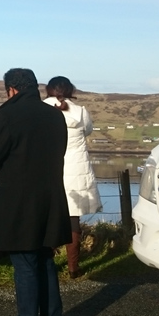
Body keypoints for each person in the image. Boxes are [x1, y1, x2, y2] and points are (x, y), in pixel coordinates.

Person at [0, 68, 71, 316]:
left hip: (20, 198)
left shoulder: (8, 115)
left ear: (11, 90)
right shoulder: (55, 115)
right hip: (51, 196)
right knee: (44, 257)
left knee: (25, 260)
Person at [43, 76, 102, 279]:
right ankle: (73, 267)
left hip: (50, 169)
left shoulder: (41, 109)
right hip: (75, 171)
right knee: (72, 221)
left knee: (47, 217)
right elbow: (87, 131)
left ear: (49, 90)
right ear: (69, 90)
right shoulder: (81, 112)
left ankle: (45, 262)